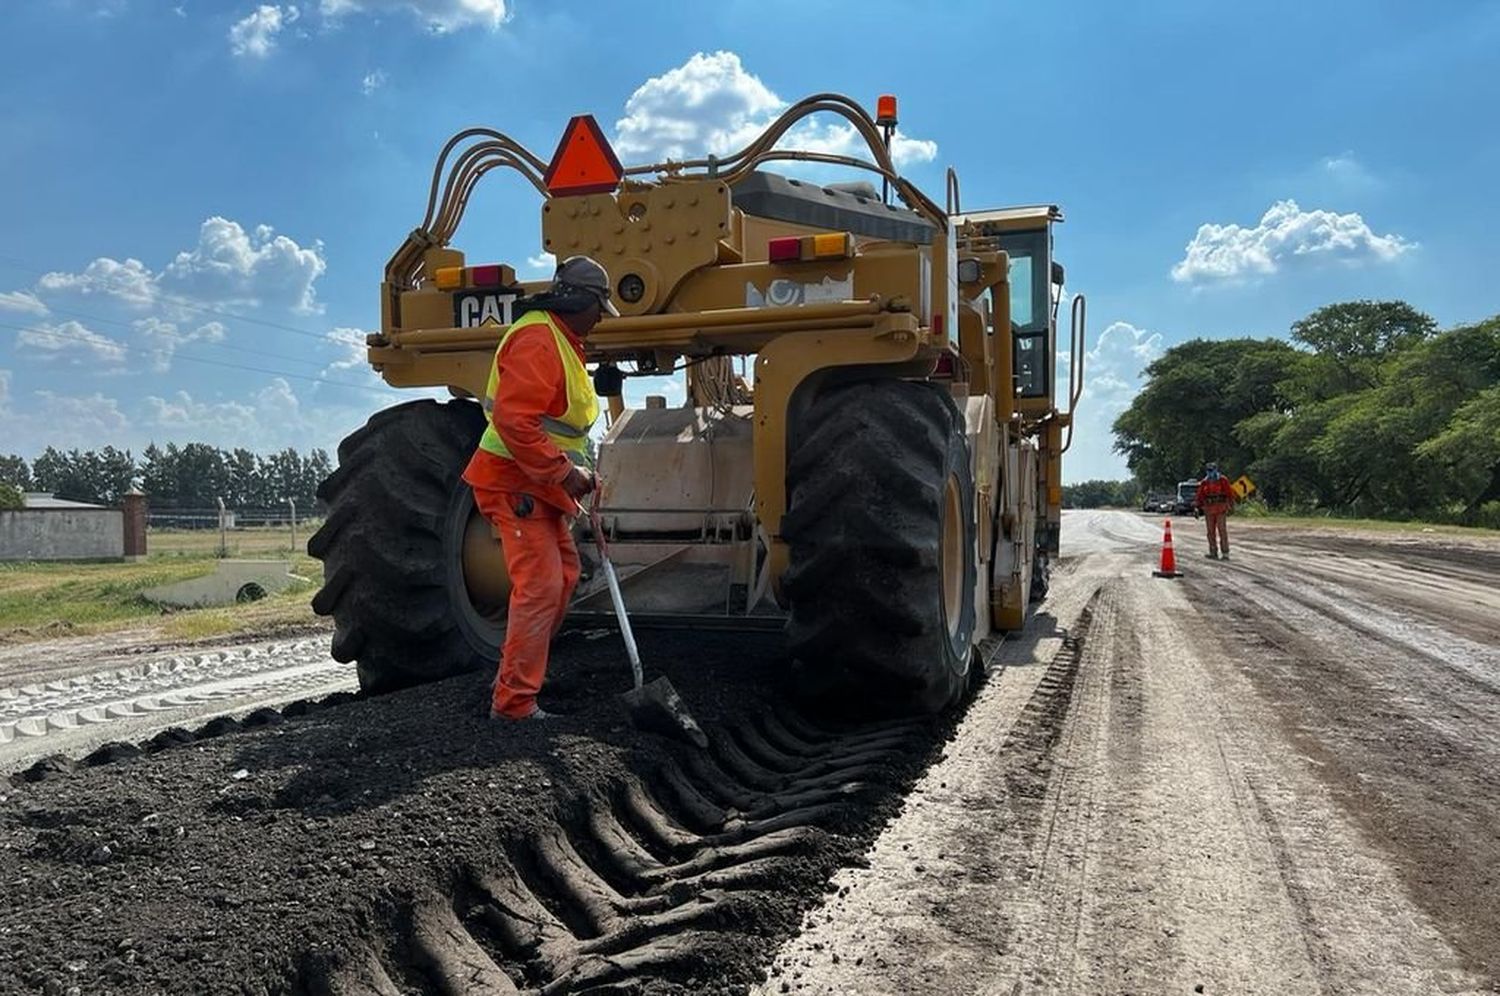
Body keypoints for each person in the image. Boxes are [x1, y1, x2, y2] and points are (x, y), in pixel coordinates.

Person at [462, 256, 618, 721]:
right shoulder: (538, 340)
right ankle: (514, 704)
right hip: (514, 479)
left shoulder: (563, 340)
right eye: (599, 309)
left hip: (538, 481)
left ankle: (518, 672)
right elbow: (514, 420)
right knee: (541, 586)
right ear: (582, 302)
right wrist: (564, 473)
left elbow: (558, 426)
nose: (599, 321)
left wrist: (576, 472)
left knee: (564, 578)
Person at [1194, 462, 1237, 559]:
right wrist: (1196, 507)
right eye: (1208, 471)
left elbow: (1230, 494)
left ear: (1216, 470)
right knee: (1210, 531)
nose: (1210, 473)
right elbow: (1199, 496)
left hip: (1220, 509)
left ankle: (1225, 553)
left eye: (1212, 470)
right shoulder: (1204, 482)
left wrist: (1232, 506)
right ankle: (1213, 551)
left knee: (1222, 530)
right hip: (1209, 510)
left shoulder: (1223, 480)